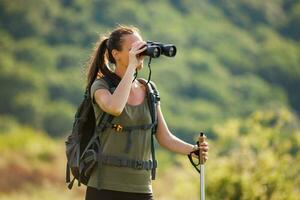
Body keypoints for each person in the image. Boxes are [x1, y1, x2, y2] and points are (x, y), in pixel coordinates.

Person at [85, 25, 209, 200]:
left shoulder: (148, 90)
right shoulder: (101, 86)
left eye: (142, 47)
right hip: (105, 186)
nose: (140, 53)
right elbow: (115, 107)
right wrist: (131, 69)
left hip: (141, 188)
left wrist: (193, 150)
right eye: (133, 49)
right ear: (116, 54)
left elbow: (164, 137)